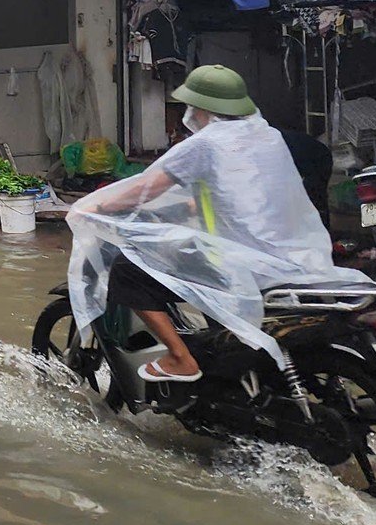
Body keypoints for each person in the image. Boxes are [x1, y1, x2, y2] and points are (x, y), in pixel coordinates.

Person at [67, 64, 349, 382]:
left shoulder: (206, 143)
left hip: (236, 261)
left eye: (191, 107)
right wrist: (189, 206)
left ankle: (180, 358)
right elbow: (243, 192)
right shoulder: (266, 136)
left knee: (126, 274)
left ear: (202, 109)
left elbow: (144, 190)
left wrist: (96, 207)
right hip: (289, 257)